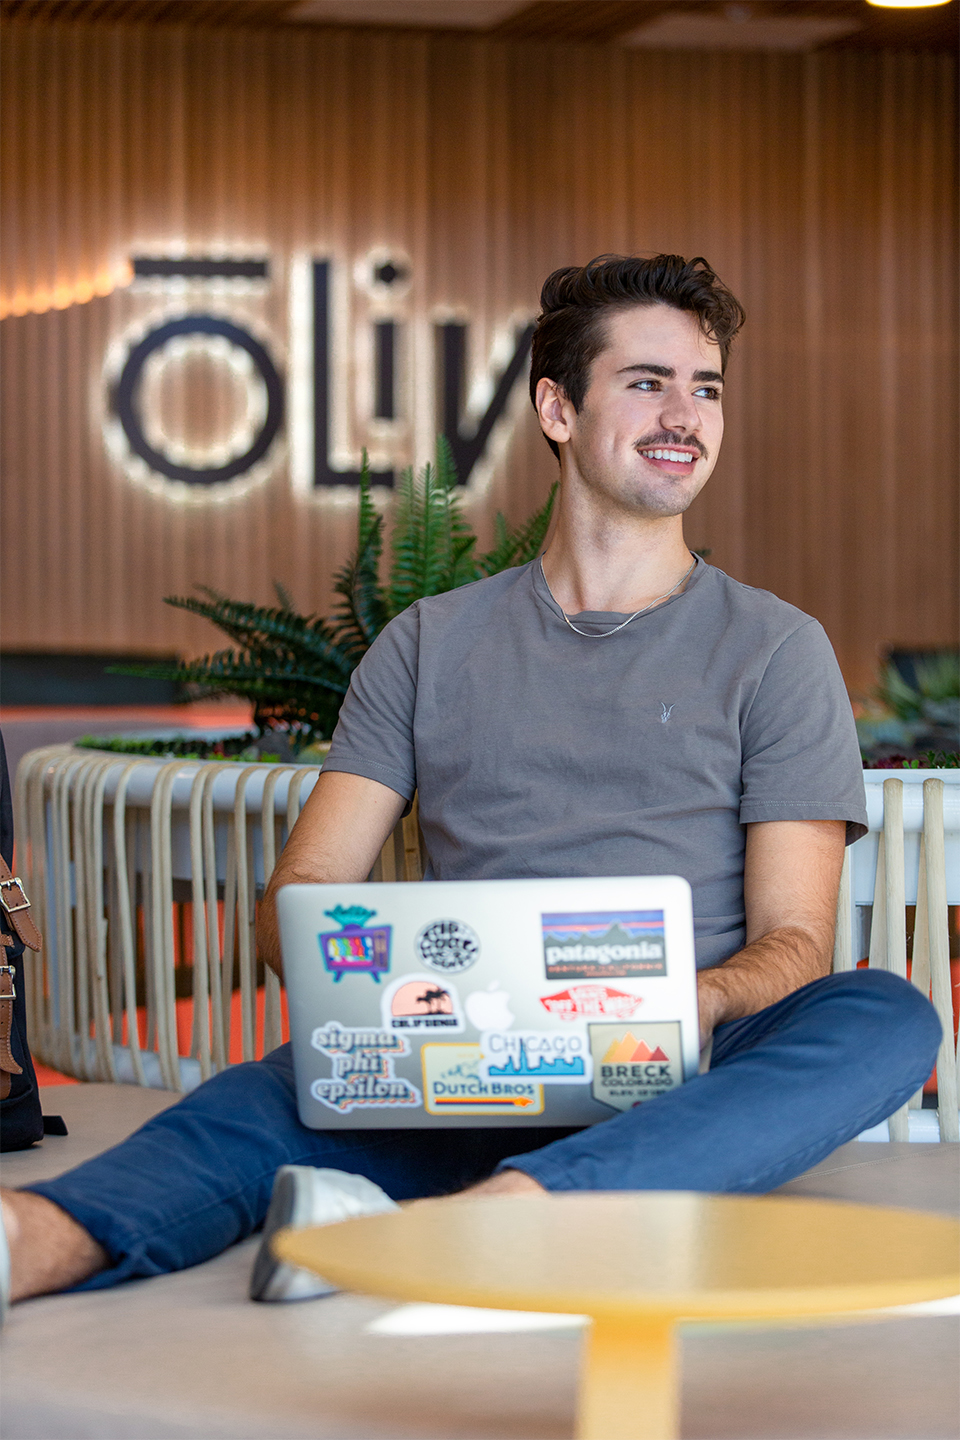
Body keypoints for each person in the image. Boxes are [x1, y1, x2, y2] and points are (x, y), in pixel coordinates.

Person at [0, 254, 940, 1311]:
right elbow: (300, 892)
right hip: (461, 1057)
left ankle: (491, 1222)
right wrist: (382, 994)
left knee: (883, 1016)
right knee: (250, 1107)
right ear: (556, 407)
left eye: (706, 387)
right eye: (647, 382)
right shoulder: (428, 643)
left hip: (688, 1063)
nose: (686, 413)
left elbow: (794, 946)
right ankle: (28, 1240)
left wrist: (671, 1001)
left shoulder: (776, 647)